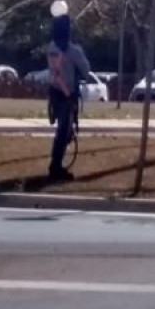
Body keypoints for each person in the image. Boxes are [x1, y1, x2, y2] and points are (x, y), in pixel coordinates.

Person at [46, 10, 94, 183]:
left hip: (54, 92)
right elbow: (86, 70)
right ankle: (55, 166)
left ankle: (56, 163)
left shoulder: (51, 48)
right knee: (64, 131)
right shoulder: (74, 50)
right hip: (67, 95)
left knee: (63, 130)